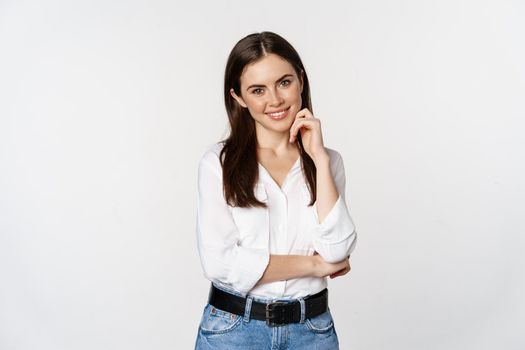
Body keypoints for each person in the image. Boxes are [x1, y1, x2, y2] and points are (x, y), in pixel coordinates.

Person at [194, 31, 357, 350]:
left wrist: (319, 159)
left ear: (300, 79)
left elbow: (337, 250)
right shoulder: (218, 164)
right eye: (258, 90)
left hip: (311, 332)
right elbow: (220, 263)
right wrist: (314, 265)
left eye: (284, 82)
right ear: (239, 97)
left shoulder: (329, 162)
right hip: (233, 331)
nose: (276, 100)